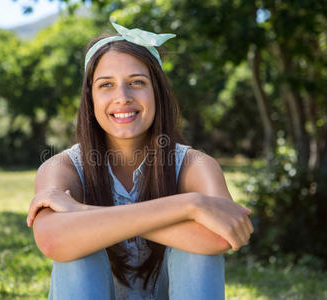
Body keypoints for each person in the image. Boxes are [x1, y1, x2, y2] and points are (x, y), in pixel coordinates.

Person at [26, 22, 254, 300]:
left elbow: (221, 238)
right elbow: (53, 241)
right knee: (77, 250)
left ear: (157, 91)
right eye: (106, 85)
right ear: (90, 98)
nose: (122, 97)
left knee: (197, 252)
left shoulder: (196, 165)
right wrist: (189, 205)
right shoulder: (61, 167)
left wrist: (82, 214)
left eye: (137, 83)